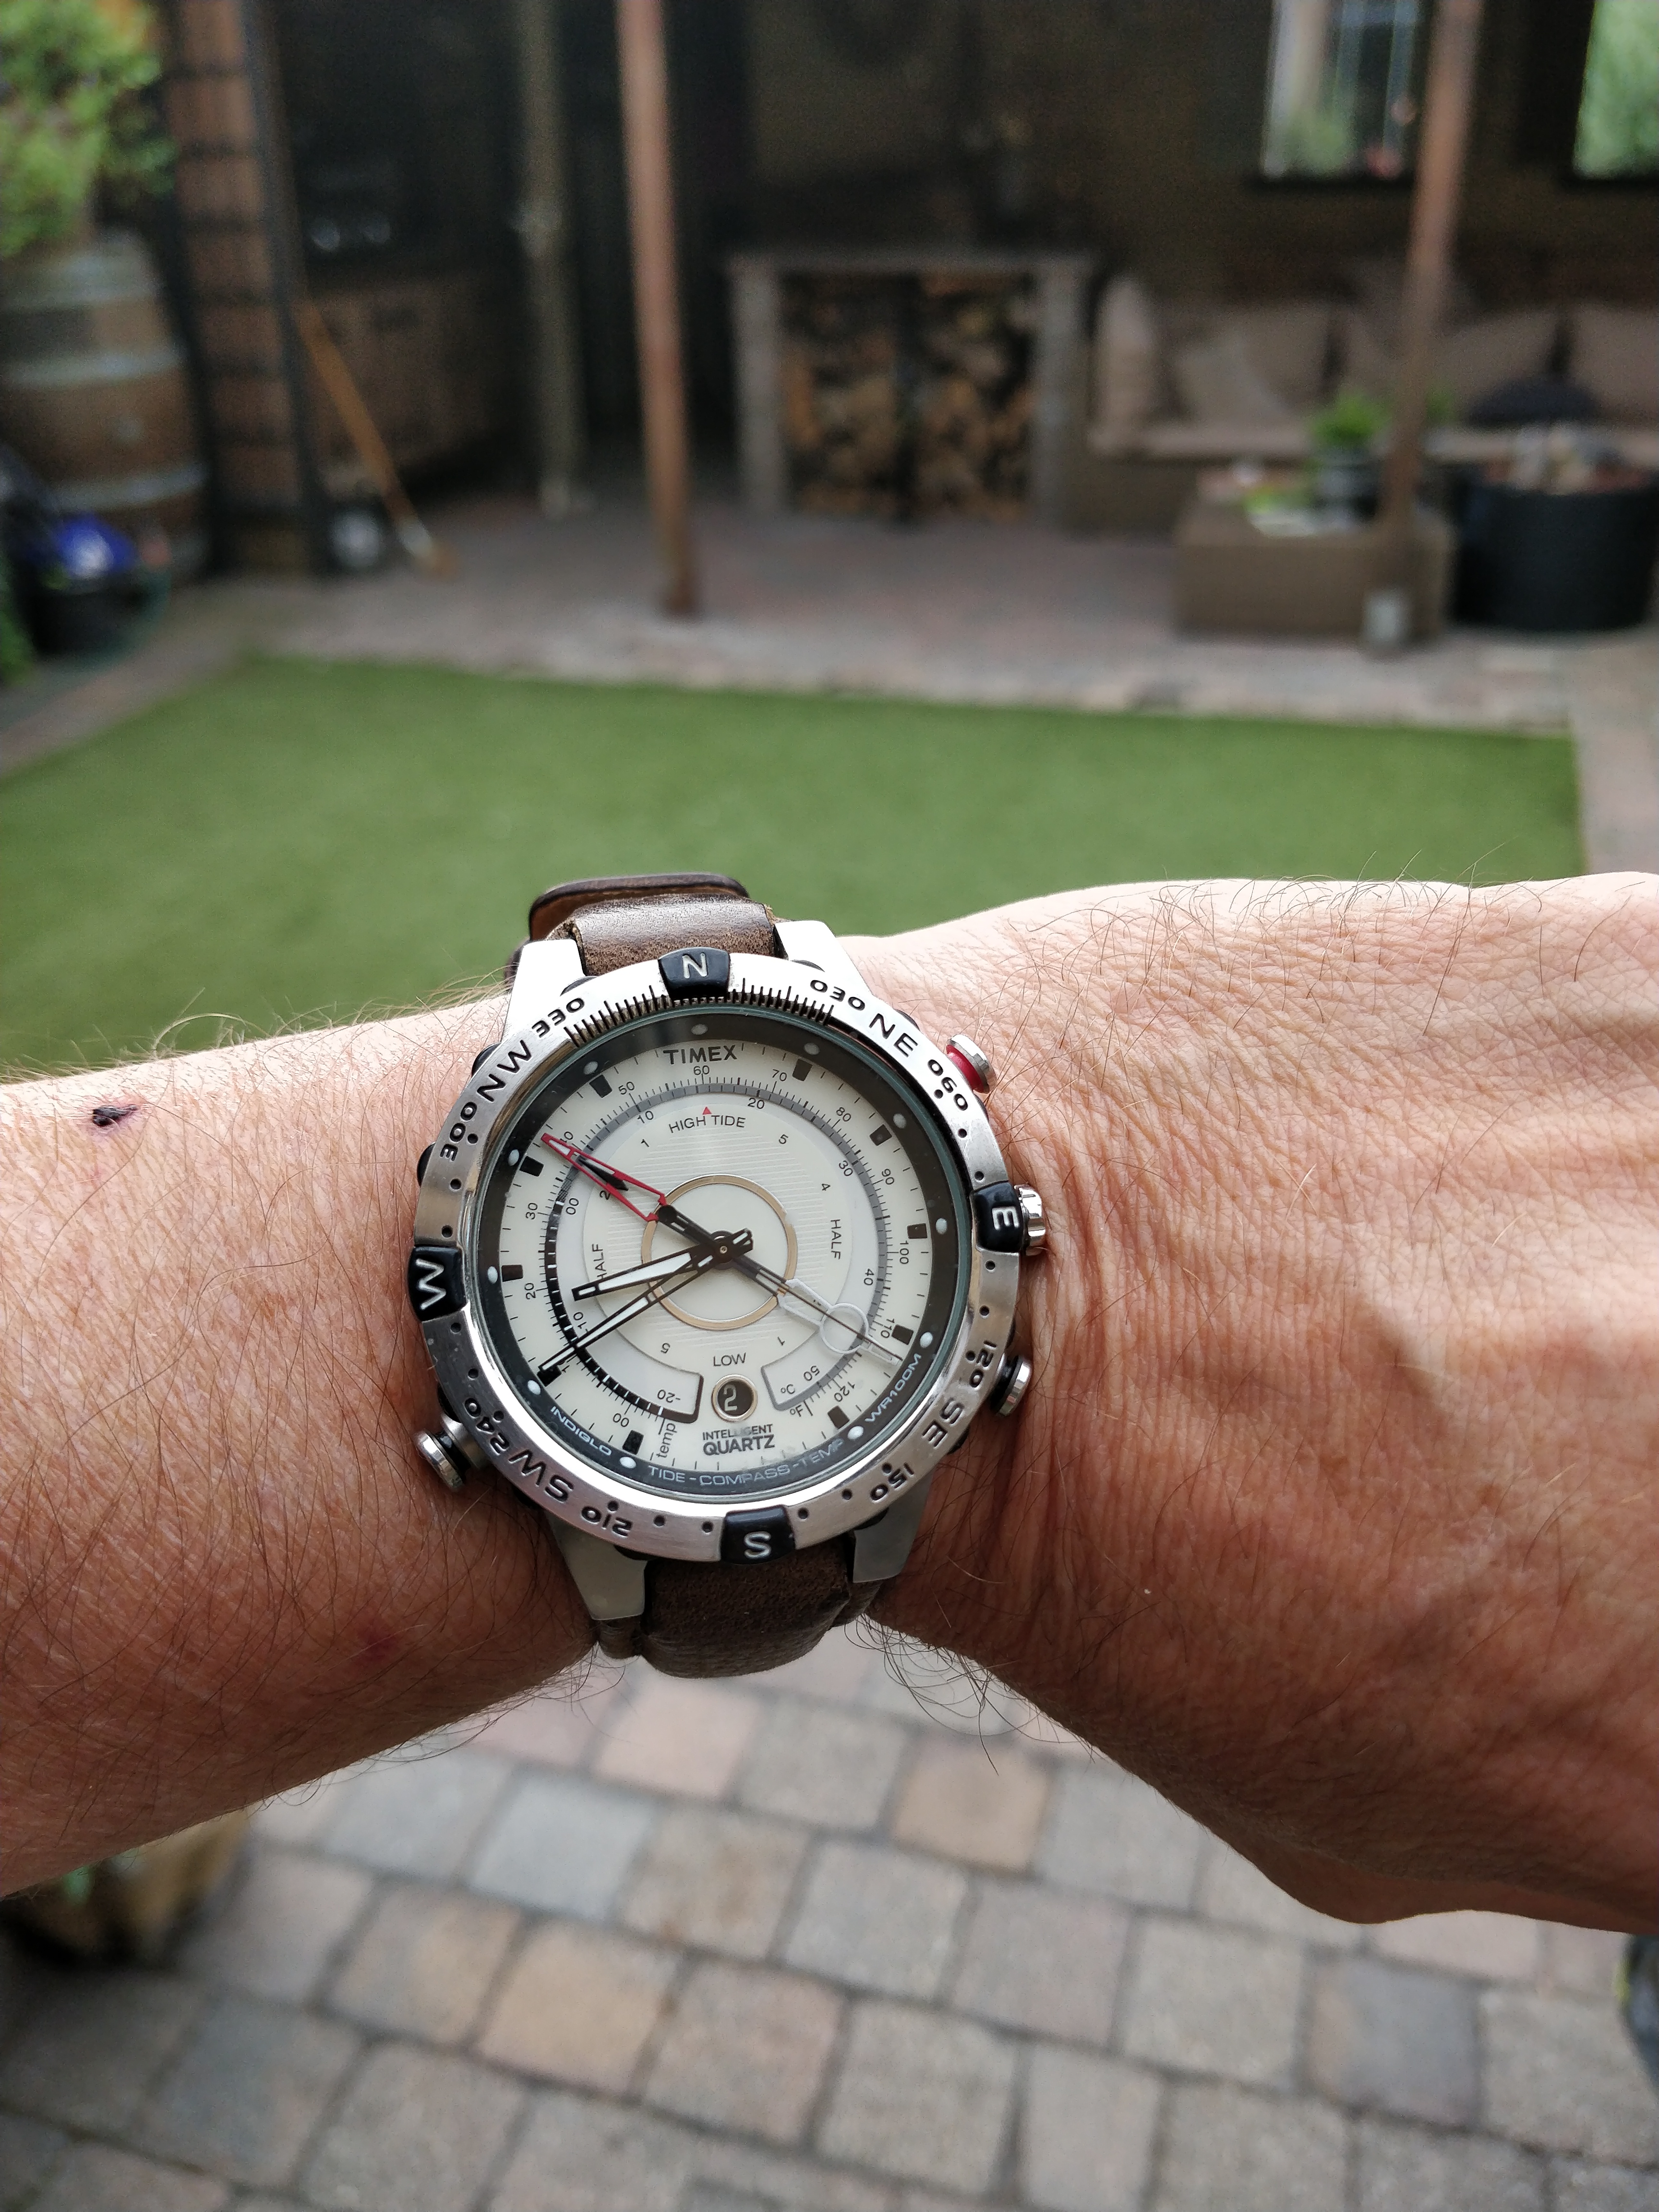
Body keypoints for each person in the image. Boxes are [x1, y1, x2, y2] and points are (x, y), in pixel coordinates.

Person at [3, 873, 1655, 1929]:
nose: (726, 1248)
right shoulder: (495, 1261)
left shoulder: (953, 1259)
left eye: (732, 1238)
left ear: (1001, 1217)